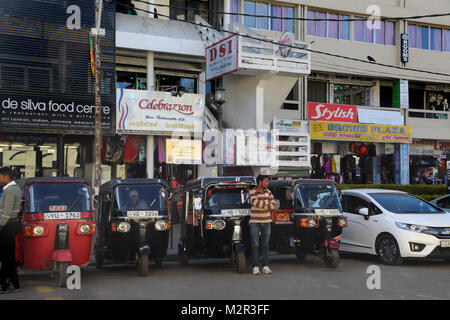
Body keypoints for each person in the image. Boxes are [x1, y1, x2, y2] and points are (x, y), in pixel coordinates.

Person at [0, 167, 22, 294]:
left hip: (7, 227)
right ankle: (14, 283)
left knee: (6, 258)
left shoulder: (11, 191)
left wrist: (0, 226)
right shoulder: (12, 189)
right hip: (10, 226)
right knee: (8, 258)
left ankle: (3, 284)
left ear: (6, 177)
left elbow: (7, 214)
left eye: (0, 177)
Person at [248, 175, 275, 275]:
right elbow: (255, 203)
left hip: (267, 221)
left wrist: (264, 204)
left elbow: (273, 205)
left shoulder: (269, 192)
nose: (267, 183)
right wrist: (266, 204)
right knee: (255, 245)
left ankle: (265, 266)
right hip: (255, 222)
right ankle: (255, 267)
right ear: (260, 182)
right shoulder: (253, 192)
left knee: (265, 245)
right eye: (266, 181)